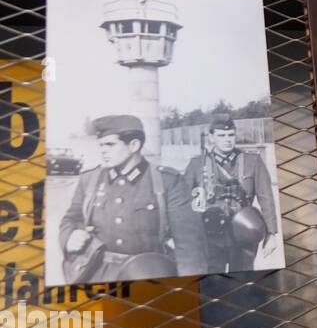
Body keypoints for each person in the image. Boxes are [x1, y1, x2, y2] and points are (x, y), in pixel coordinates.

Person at [59, 114, 207, 284]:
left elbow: (189, 246)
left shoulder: (167, 181)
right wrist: (69, 237)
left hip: (149, 274)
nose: (102, 150)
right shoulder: (90, 179)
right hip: (97, 273)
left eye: (110, 144)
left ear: (134, 145)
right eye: (100, 145)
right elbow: (70, 219)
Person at [183, 114, 279, 274]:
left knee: (243, 282)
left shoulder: (253, 161)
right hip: (210, 236)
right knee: (212, 283)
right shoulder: (196, 164)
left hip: (244, 235)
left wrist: (271, 233)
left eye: (231, 135)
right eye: (221, 135)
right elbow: (182, 201)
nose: (227, 139)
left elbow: (266, 199)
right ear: (211, 137)